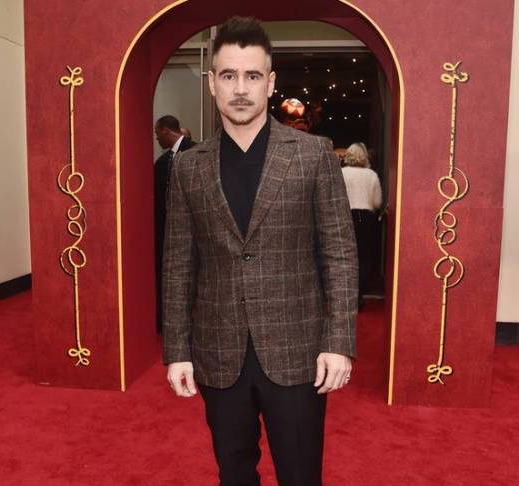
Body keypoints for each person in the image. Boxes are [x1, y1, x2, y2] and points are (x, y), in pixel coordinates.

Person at [162, 17, 358, 486]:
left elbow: (339, 254)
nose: (240, 88)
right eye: (228, 75)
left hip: (297, 348)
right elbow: (177, 264)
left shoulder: (313, 155)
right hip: (218, 348)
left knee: (300, 473)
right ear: (212, 83)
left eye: (252, 75)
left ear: (269, 83)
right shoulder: (189, 167)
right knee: (233, 472)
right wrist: (177, 349)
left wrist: (339, 341)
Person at [154, 115, 195, 332]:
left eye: (157, 133)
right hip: (167, 229)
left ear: (165, 131)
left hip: (193, 228)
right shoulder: (162, 163)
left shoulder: (197, 153)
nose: (156, 139)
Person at [341, 143, 382, 310]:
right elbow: (377, 202)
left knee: (344, 257)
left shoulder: (342, 173)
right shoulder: (371, 175)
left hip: (345, 216)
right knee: (364, 258)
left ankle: (346, 295)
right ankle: (359, 294)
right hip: (366, 219)